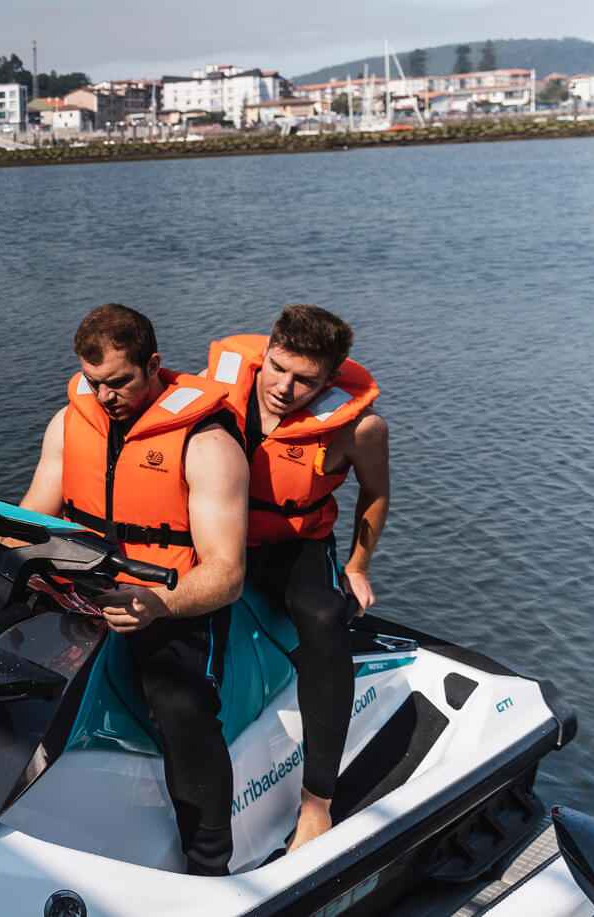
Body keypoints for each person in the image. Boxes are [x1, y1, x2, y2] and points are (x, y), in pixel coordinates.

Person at [18, 304, 248, 876]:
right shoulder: (69, 423)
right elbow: (30, 519)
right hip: (81, 585)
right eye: (94, 383)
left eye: (119, 382)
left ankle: (210, 863)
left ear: (154, 365)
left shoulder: (206, 442)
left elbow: (225, 571)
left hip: (169, 598)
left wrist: (160, 605)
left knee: (181, 708)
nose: (105, 396)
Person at [207, 306, 389, 854]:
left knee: (326, 620)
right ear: (266, 353)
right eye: (277, 368)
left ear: (330, 379)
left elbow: (376, 492)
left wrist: (357, 566)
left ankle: (317, 803)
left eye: (305, 379)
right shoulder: (220, 392)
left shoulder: (360, 428)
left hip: (294, 545)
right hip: (221, 532)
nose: (284, 388)